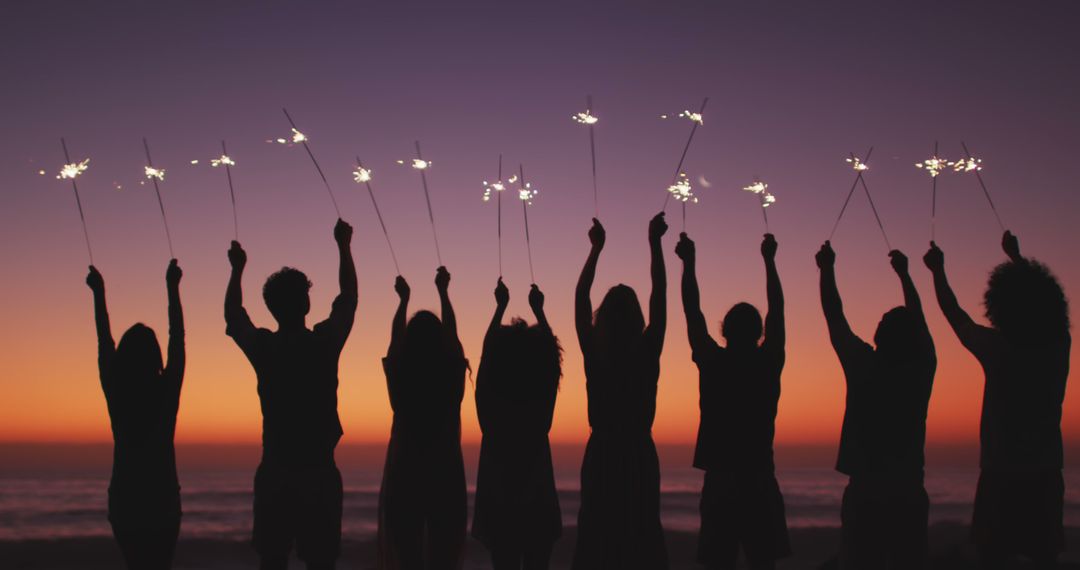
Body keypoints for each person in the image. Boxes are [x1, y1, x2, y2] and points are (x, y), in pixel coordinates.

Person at [924, 232, 1070, 569]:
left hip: (1000, 470)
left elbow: (954, 313)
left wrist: (937, 271)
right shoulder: (1058, 346)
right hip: (1046, 469)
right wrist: (1017, 259)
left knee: (993, 555)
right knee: (1044, 555)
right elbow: (1048, 305)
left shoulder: (997, 348)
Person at [224, 219, 357, 570]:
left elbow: (234, 316)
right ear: (306, 303)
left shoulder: (266, 348)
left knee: (273, 560)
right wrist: (344, 246)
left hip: (276, 471)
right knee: (321, 561)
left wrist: (237, 271)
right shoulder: (324, 344)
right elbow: (349, 299)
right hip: (318, 472)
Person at [815, 241, 936, 569]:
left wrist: (826, 269)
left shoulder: (863, 364)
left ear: (879, 335)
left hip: (865, 491)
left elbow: (834, 316)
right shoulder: (922, 369)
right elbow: (920, 322)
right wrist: (905, 276)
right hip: (909, 490)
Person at [676, 233, 790, 570]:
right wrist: (770, 261)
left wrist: (688, 263)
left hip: (721, 479)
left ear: (725, 331)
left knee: (716, 562)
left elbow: (692, 311)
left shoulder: (714, 362)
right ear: (759, 333)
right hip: (759, 476)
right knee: (763, 562)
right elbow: (778, 312)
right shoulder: (767, 362)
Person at [572, 214, 669, 570]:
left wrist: (596, 249)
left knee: (596, 535)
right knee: (642, 533)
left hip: (602, 452)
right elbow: (660, 294)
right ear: (637, 317)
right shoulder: (647, 350)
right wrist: (654, 243)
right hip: (639, 452)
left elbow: (581, 296)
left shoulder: (594, 353)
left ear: (603, 317)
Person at [88, 259, 185, 570]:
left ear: (124, 356)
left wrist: (98, 293)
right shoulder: (166, 389)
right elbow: (177, 340)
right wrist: (172, 288)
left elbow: (104, 341)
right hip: (162, 496)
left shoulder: (117, 389)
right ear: (155, 354)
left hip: (126, 495)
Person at [378, 267, 468, 570]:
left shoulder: (401, 376)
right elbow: (453, 337)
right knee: (443, 556)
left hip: (406, 472)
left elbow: (395, 342)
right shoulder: (451, 376)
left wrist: (403, 302)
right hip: (446, 473)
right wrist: (444, 291)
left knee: (408, 557)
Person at [472, 279, 563, 570]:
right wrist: (540, 311)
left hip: (500, 499)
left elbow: (486, 358)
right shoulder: (540, 403)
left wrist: (499, 309)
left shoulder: (492, 408)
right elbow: (550, 363)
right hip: (538, 496)